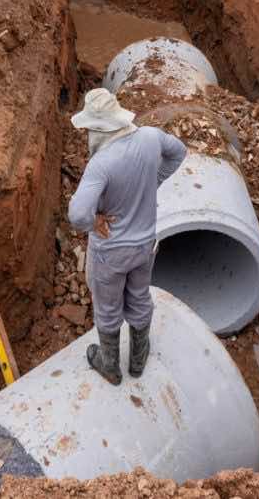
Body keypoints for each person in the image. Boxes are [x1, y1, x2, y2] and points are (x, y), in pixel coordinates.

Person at [67, 88, 188, 385]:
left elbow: (77, 214)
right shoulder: (149, 137)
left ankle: (110, 363)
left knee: (108, 307)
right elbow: (179, 152)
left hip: (111, 252)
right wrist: (154, 182)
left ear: (98, 127)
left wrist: (95, 220)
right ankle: (137, 359)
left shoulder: (101, 164)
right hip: (144, 246)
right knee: (139, 296)